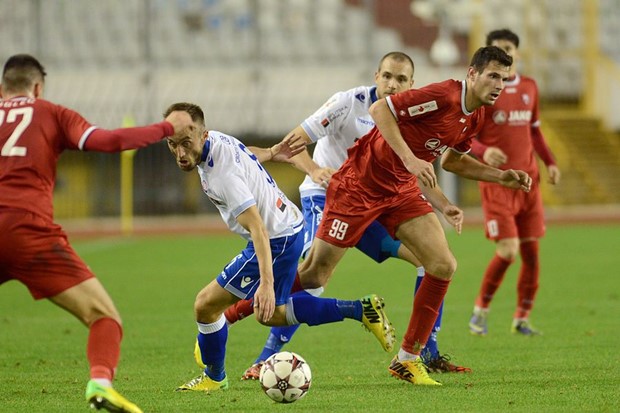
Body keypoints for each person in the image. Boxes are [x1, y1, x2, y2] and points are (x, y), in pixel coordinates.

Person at [294, 45, 532, 386]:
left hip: (400, 191)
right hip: (359, 186)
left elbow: (451, 160)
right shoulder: (445, 95)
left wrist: (501, 176)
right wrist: (409, 160)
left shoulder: (476, 115)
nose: (498, 84)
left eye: (504, 79)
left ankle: (408, 358)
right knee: (315, 275)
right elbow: (380, 110)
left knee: (442, 264)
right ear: (473, 74)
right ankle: (241, 304)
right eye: (492, 75)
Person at [224, 51, 470, 379]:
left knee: (433, 261)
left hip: (382, 201)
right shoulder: (347, 103)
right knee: (313, 275)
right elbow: (293, 143)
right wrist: (315, 170)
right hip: (329, 197)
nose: (392, 84)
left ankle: (425, 351)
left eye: (401, 80)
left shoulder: (414, 115)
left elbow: (411, 172)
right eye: (387, 76)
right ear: (376, 76)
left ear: (412, 84)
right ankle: (261, 351)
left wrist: (443, 203)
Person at [0, 54, 193, 413]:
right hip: (29, 231)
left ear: (2, 89)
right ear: (38, 87)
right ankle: (100, 384)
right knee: (104, 317)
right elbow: (108, 141)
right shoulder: (50, 112)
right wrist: (168, 127)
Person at [163, 102, 395, 392]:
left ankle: (214, 377)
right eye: (173, 145)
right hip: (289, 228)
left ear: (202, 134)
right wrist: (272, 153)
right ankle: (360, 309)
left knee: (206, 306)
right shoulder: (216, 140)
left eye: (186, 143)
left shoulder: (222, 175)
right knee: (271, 313)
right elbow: (245, 152)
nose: (181, 153)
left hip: (275, 240)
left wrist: (266, 284)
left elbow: (257, 228)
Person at [468, 29, 561, 337]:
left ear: (516, 53)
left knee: (532, 253)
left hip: (529, 182)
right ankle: (481, 310)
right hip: (497, 183)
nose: (502, 54)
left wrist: (550, 162)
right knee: (508, 251)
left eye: (506, 49)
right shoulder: (484, 90)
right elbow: (467, 136)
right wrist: (484, 151)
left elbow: (534, 130)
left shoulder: (530, 87)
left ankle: (522, 317)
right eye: (495, 50)